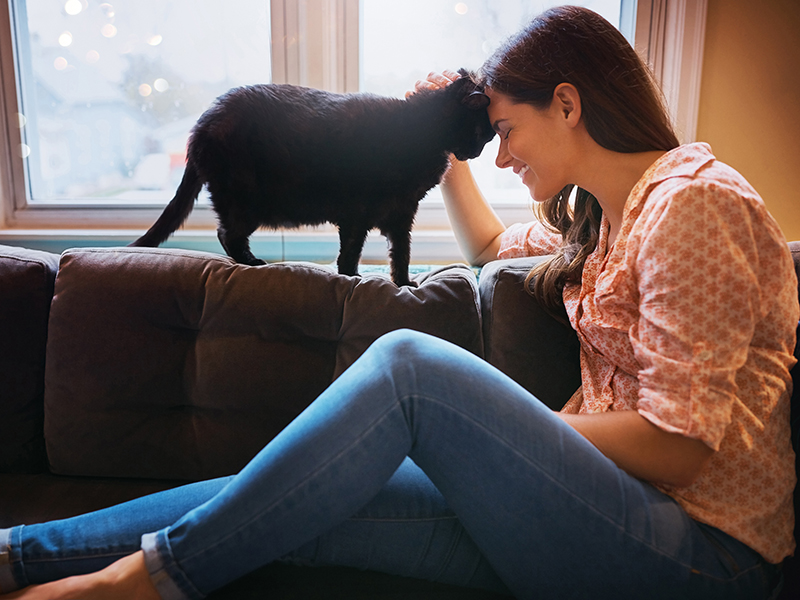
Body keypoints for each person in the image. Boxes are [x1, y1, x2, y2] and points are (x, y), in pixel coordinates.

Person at [1, 6, 796, 600]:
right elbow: (489, 251)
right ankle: (17, 555)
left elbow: (682, 443)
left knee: (410, 366)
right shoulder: (600, 218)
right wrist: (437, 145)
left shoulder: (692, 205)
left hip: (698, 553)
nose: (504, 155)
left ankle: (145, 582)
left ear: (568, 102)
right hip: (596, 511)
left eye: (509, 130)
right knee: (292, 493)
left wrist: (511, 435)